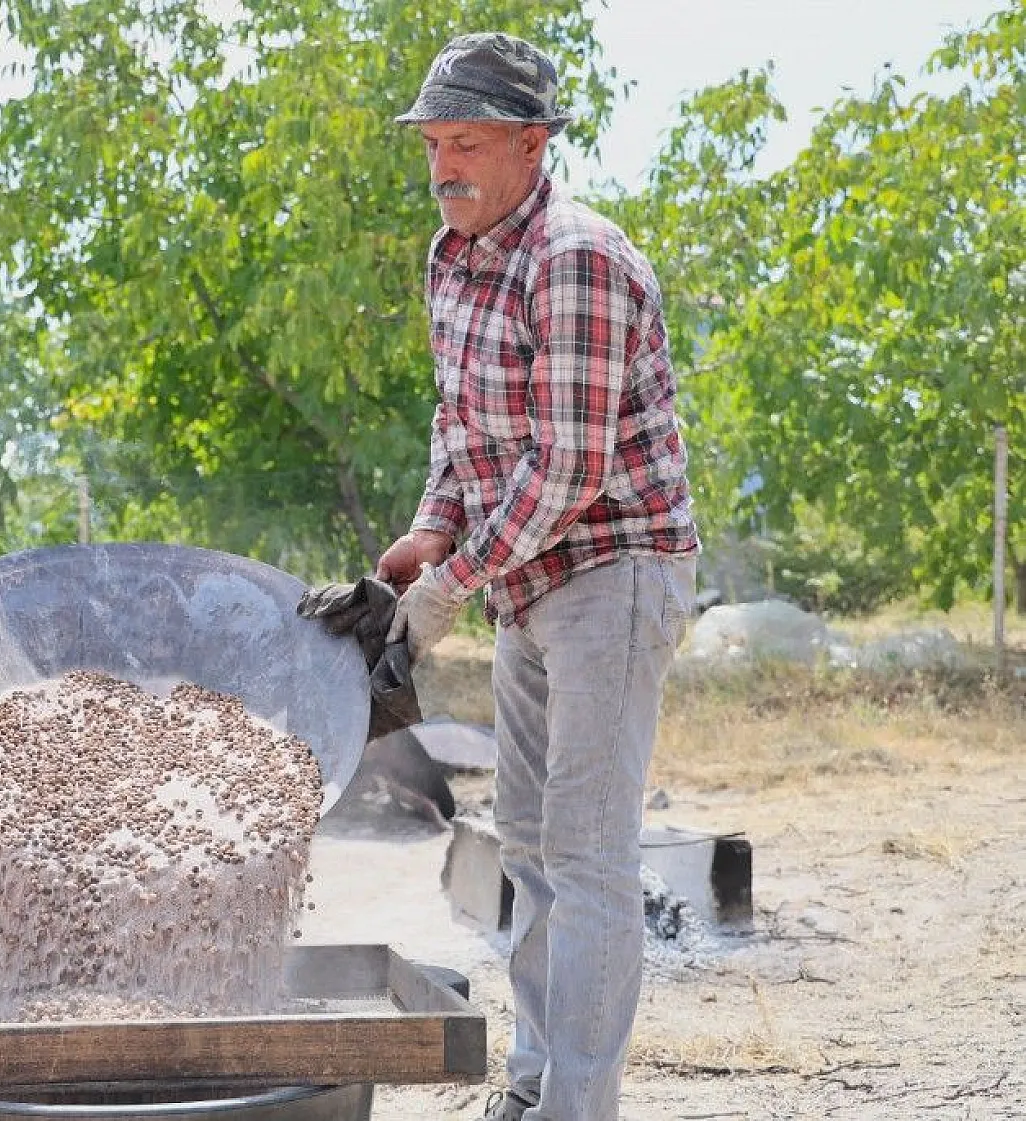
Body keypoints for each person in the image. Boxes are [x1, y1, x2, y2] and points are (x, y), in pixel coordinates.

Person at [380, 33, 700, 1121]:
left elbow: (568, 464)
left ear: (530, 143)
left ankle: (577, 1105)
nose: (442, 165)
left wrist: (447, 585)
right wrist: (429, 533)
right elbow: (458, 425)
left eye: (464, 142)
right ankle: (530, 1085)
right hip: (526, 576)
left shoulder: (576, 257)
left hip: (614, 566)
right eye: (431, 144)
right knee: (521, 841)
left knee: (587, 854)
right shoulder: (450, 255)